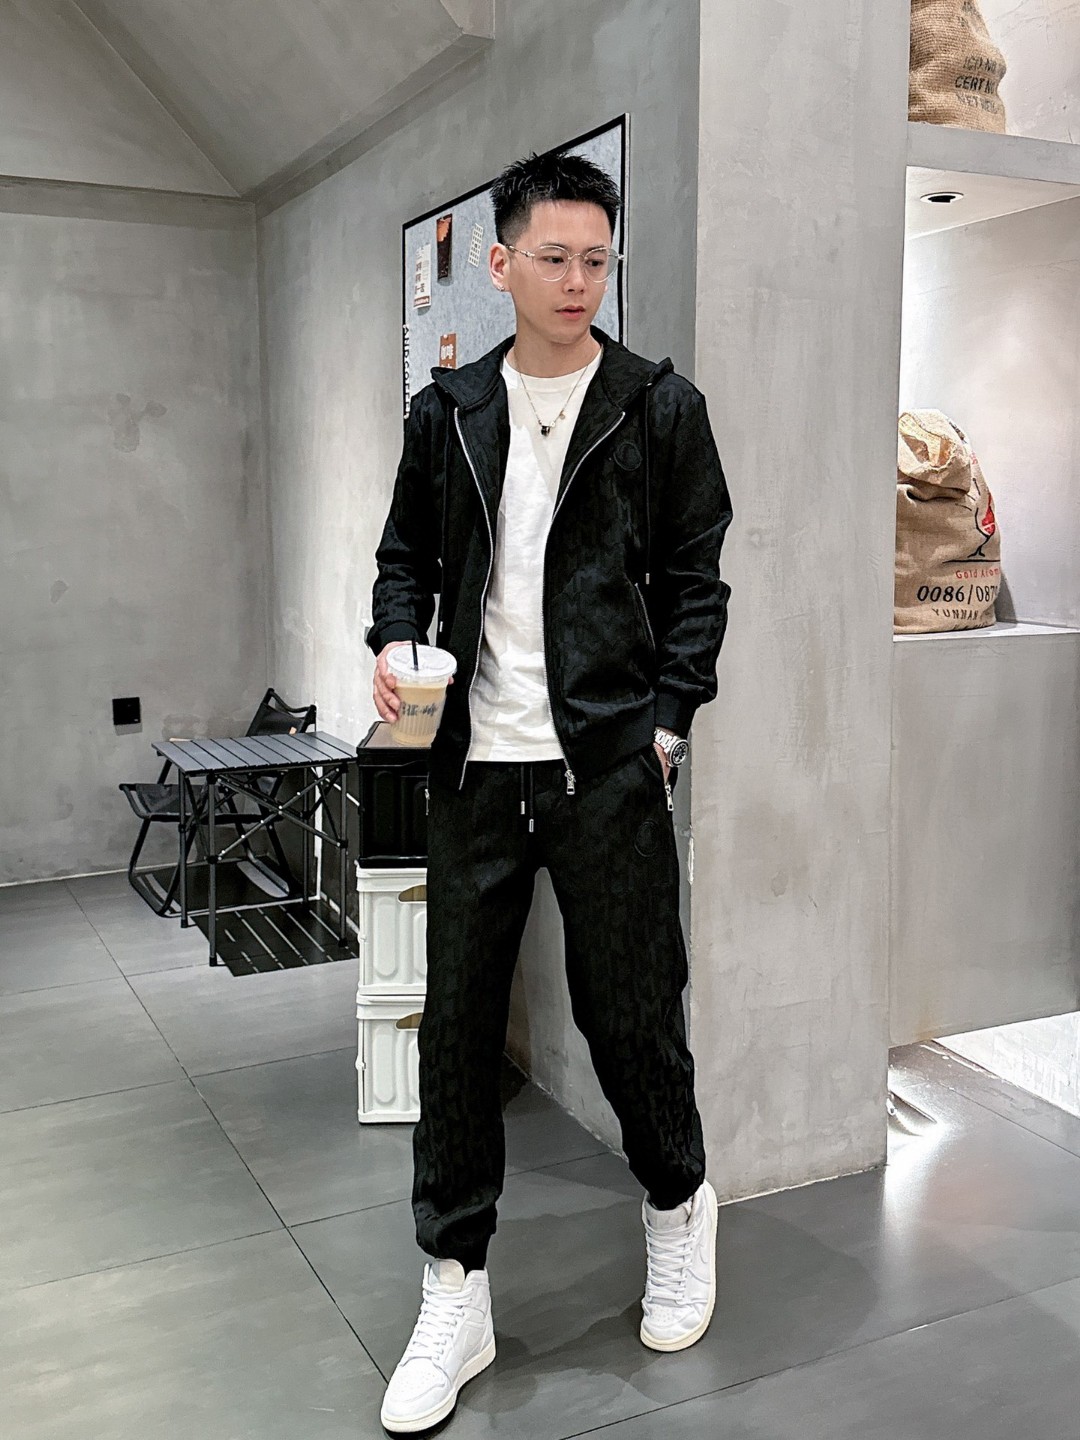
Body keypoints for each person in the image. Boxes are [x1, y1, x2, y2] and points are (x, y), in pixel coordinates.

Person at [368, 148, 732, 1435]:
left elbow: (697, 581)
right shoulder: (449, 410)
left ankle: (678, 1206)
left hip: (607, 769)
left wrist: (666, 728)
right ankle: (454, 1287)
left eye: (597, 259)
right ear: (503, 261)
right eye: (555, 257)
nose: (579, 280)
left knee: (631, 1015)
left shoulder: (656, 408)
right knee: (458, 1031)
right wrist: (394, 641)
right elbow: (404, 560)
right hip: (474, 768)